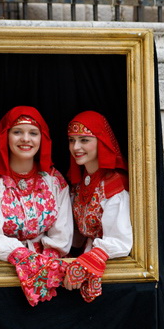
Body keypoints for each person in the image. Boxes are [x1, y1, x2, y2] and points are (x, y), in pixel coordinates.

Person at [0, 106, 72, 306]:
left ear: (42, 139)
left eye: (33, 133)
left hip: (51, 269)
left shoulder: (54, 180)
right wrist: (24, 258)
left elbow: (62, 232)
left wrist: (48, 262)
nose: (26, 139)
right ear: (5, 136)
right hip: (2, 272)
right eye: (17, 132)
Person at [64, 110, 132, 301]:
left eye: (84, 140)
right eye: (71, 140)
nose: (76, 147)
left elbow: (120, 241)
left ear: (101, 142)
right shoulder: (79, 183)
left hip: (112, 271)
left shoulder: (114, 183)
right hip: (83, 261)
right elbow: (76, 238)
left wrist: (86, 263)